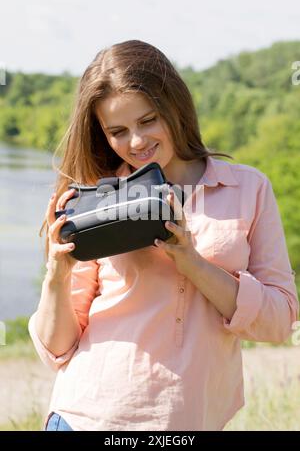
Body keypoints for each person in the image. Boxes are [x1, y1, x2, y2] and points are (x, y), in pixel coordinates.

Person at [28, 39, 299, 431]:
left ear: (175, 106)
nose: (136, 142)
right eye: (117, 131)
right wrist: (57, 272)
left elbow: (280, 321)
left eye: (149, 120)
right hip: (87, 417)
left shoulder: (249, 190)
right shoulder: (94, 199)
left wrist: (192, 262)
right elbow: (57, 348)